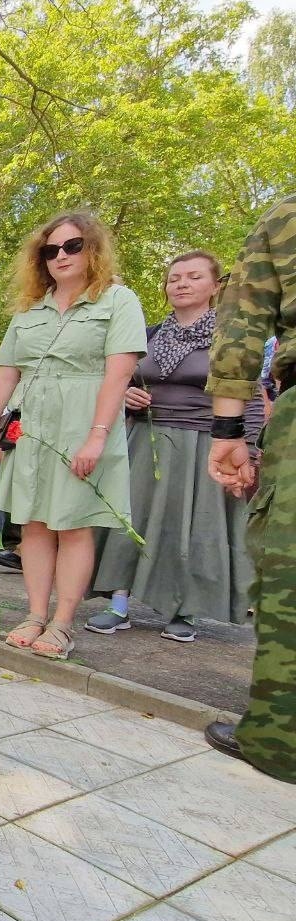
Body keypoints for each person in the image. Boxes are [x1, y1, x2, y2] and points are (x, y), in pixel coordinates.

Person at [0, 210, 146, 659]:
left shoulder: (118, 300)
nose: (61, 256)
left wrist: (97, 437)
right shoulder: (31, 309)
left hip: (86, 422)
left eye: (72, 246)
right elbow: (7, 374)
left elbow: (118, 376)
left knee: (72, 525)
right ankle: (35, 614)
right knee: (32, 522)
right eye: (51, 250)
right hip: (33, 427)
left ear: (92, 250)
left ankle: (63, 623)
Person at [88, 252, 261, 642]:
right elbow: (119, 381)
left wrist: (246, 451)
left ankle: (186, 610)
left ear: (215, 287)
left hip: (205, 444)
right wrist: (128, 395)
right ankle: (118, 604)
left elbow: (248, 397)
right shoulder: (148, 336)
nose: (181, 284)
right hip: (144, 441)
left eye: (193, 276)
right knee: (130, 522)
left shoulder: (230, 340)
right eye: (174, 278)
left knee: (195, 527)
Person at [201, 194, 296, 784]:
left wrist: (229, 431)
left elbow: (241, 325)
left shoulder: (286, 215)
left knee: (288, 575)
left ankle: (279, 739)